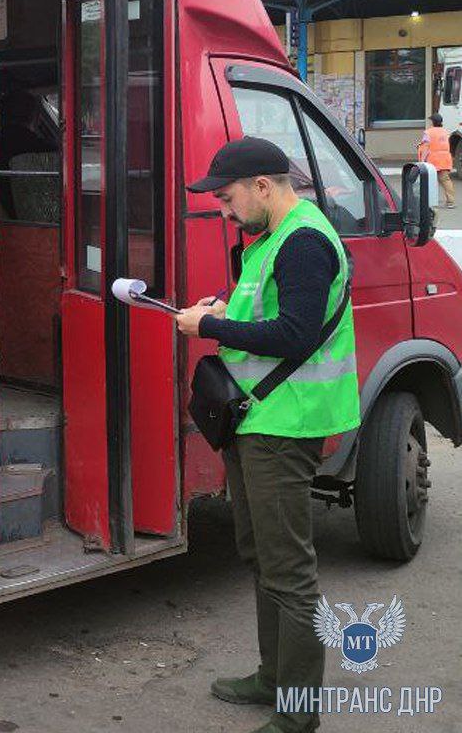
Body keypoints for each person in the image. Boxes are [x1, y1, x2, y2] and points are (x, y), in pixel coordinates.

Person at [175, 137, 359, 733]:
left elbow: (296, 334)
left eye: (228, 198)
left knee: (288, 571)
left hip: (287, 422)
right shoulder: (272, 239)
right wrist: (225, 308)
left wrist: (212, 325)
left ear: (263, 185)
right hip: (258, 419)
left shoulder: (304, 241)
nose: (226, 211)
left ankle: (297, 713)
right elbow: (267, 316)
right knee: (261, 556)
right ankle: (272, 676)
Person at [417, 113, 455, 209]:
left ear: (433, 122)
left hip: (433, 159)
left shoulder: (428, 132)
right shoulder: (445, 132)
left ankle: (430, 201)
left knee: (430, 181)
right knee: (446, 180)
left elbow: (426, 147)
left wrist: (422, 161)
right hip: (445, 158)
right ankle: (450, 201)